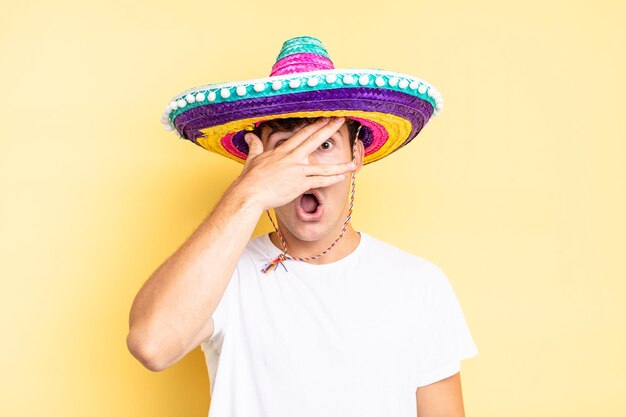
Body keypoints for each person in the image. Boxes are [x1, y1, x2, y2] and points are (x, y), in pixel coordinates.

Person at [127, 36, 479, 417]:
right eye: (284, 148)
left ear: (356, 155)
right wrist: (247, 194)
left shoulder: (419, 283)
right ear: (255, 161)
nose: (303, 168)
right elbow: (152, 344)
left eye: (324, 144)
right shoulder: (225, 275)